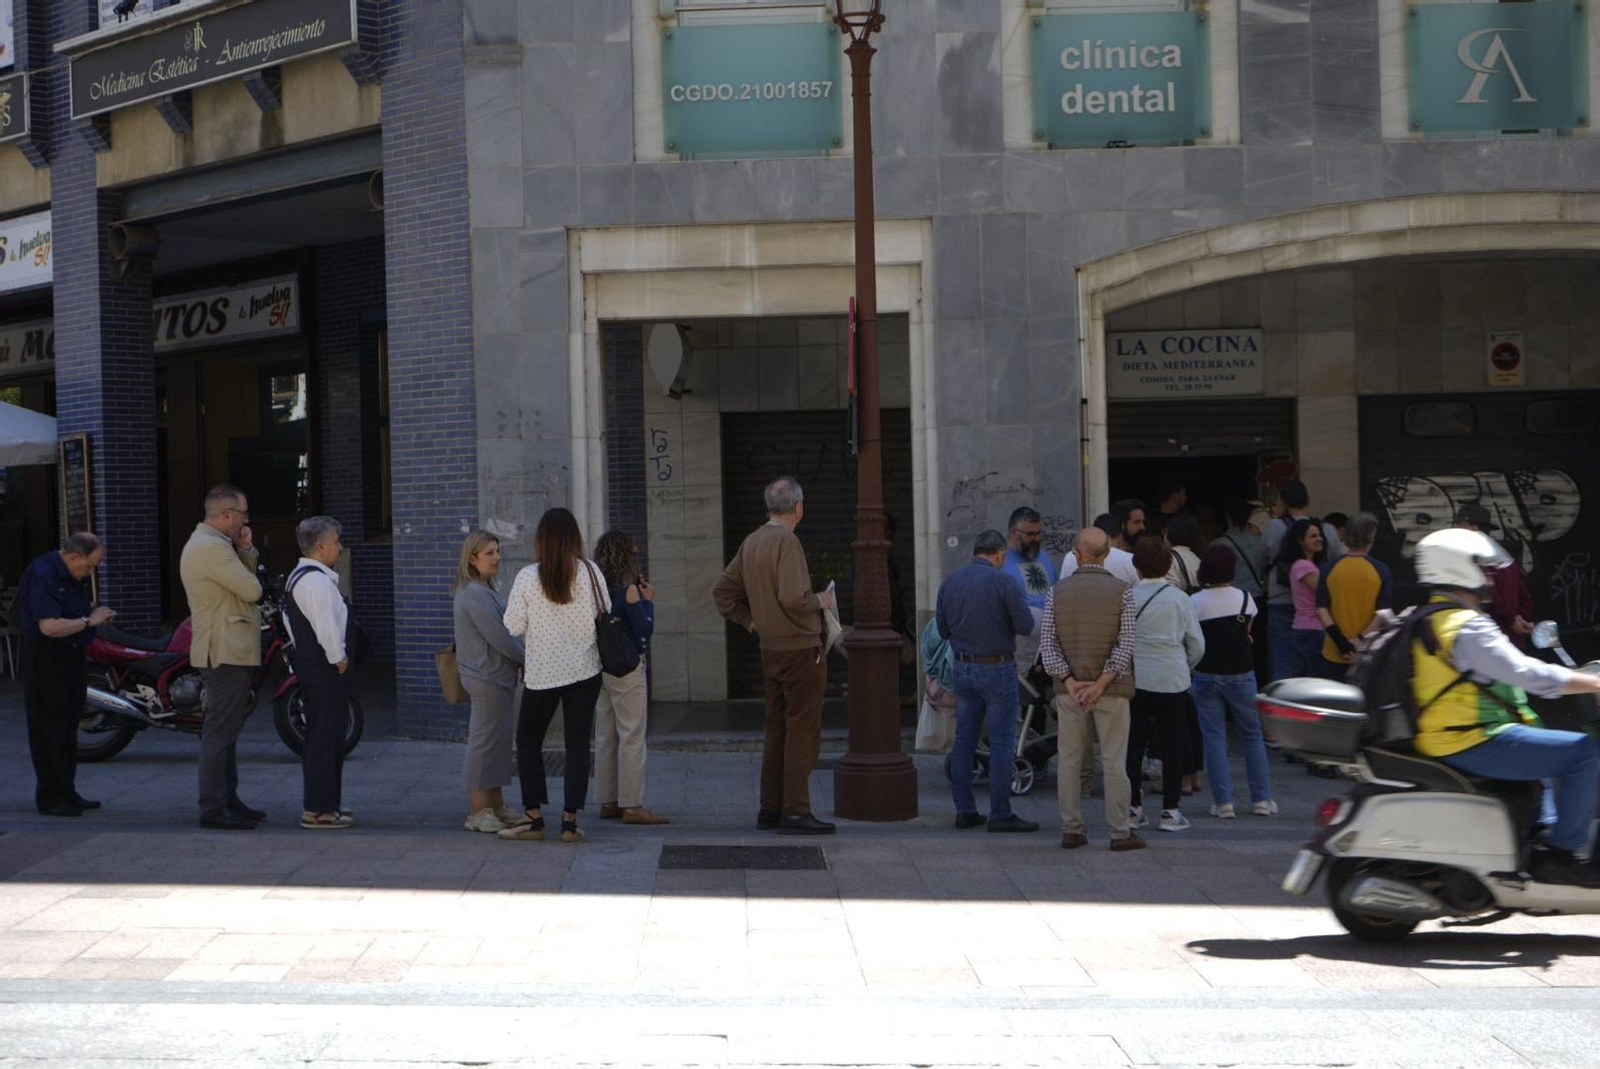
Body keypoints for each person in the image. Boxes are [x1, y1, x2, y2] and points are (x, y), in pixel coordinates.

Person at [1409, 528, 1600, 887]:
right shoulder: (1466, 625)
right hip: (1472, 737)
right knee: (1583, 754)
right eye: (1482, 567)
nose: (1489, 576)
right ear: (1457, 568)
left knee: (1547, 744)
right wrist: (1591, 682)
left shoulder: (1433, 615)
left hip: (1453, 733)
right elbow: (1524, 673)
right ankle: (1562, 855)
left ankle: (1537, 836)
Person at [713, 476, 838, 836]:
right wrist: (822, 600)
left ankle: (770, 807)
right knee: (803, 730)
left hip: (770, 648)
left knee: (777, 728)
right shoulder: (788, 542)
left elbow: (722, 591)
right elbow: (794, 598)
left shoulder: (752, 541)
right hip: (801, 648)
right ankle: (796, 810)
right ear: (798, 507)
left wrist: (751, 621)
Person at [499, 507, 609, 844]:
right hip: (585, 670)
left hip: (542, 674)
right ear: (575, 537)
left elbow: (512, 625)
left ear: (541, 540)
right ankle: (570, 822)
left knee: (528, 742)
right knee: (578, 745)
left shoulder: (528, 577)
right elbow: (606, 612)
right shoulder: (591, 571)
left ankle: (534, 818)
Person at [1040, 527, 1142, 851]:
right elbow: (1125, 645)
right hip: (1110, 690)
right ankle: (1119, 832)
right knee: (1114, 760)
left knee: (1069, 760)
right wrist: (1100, 684)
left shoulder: (1057, 592)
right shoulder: (1123, 591)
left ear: (1076, 553)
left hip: (1069, 691)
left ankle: (1072, 829)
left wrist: (1069, 681)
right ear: (1107, 553)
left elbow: (1048, 644)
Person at [935, 529, 1039, 833]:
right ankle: (1000, 813)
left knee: (965, 740)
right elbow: (1025, 624)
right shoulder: (1003, 581)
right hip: (997, 667)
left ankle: (965, 811)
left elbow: (942, 630)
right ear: (999, 554)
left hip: (963, 668)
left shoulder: (950, 582)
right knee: (1003, 740)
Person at [180, 485, 266, 831]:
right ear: (226, 515)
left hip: (226, 648)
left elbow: (242, 582)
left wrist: (244, 549)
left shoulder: (214, 545)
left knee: (226, 731)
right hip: (225, 650)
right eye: (244, 514)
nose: (247, 520)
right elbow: (252, 589)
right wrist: (244, 554)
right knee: (219, 732)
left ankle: (228, 799)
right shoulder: (213, 548)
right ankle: (213, 807)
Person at [17, 533, 114, 817]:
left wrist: (91, 615)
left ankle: (67, 791)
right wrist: (88, 620)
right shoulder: (44, 574)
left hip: (71, 658)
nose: (90, 572)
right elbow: (49, 626)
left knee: (69, 729)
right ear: (75, 557)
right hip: (47, 662)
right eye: (89, 566)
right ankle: (50, 797)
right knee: (49, 731)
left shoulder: (71, 575)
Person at [1190, 545, 1276, 819]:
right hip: (1241, 672)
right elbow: (1247, 634)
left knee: (1214, 738)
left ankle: (1224, 802)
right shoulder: (1245, 599)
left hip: (1206, 672)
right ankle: (1262, 799)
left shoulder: (1194, 601)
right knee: (1252, 736)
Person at [1126, 537, 1205, 833]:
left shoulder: (1128, 597)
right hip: (1172, 678)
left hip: (1136, 678)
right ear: (1169, 564)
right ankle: (1170, 811)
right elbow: (1196, 644)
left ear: (1137, 565)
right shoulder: (1179, 599)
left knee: (1134, 744)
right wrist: (1185, 665)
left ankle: (1133, 807)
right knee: (1173, 745)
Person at [284, 517, 357, 830]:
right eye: (337, 541)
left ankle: (323, 803)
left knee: (321, 736)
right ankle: (322, 810)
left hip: (313, 666)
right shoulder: (316, 581)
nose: (340, 547)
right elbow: (326, 625)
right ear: (321, 546)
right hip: (325, 669)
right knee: (327, 737)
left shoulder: (300, 576)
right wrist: (338, 657)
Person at [452, 530, 526, 834]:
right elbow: (501, 637)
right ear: (472, 559)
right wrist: (528, 660)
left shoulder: (483, 589)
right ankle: (477, 811)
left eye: (497, 551)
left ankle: (495, 806)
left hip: (496, 677)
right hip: (486, 677)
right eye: (489, 553)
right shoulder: (473, 594)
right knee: (484, 743)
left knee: (497, 744)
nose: (497, 557)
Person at [593, 530, 668, 826]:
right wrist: (648, 601)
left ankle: (608, 800)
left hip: (602, 668)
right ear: (626, 557)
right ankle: (633, 805)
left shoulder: (597, 591)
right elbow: (644, 628)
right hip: (627, 668)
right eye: (634, 552)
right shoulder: (630, 591)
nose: (638, 554)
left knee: (605, 736)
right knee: (632, 735)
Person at [1262, 480, 1344, 682]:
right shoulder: (1326, 529)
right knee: (1316, 664)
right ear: (1308, 499)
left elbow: (1261, 558)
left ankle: (1282, 705)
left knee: (1283, 661)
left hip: (1281, 599)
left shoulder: (1274, 526)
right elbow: (1337, 561)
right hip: (1317, 607)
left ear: (1282, 501)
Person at [1316, 512, 1391, 680]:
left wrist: (1340, 640)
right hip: (1367, 651)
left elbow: (1321, 608)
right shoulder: (1380, 570)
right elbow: (1383, 612)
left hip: (1333, 651)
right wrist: (1360, 640)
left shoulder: (1330, 567)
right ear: (1370, 538)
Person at [1456, 503, 1535, 649]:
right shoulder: (1503, 555)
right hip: (1511, 637)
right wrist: (1522, 618)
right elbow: (1524, 594)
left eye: (1460, 526)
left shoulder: (1477, 558)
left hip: (1492, 639)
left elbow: (1491, 596)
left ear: (1474, 528)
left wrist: (1511, 621)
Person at [1217, 498, 1271, 685]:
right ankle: (1261, 686)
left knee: (1235, 650)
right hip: (1258, 600)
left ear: (1227, 517)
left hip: (1232, 605)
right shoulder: (1259, 541)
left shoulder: (1219, 544)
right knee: (1260, 650)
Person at [1000, 506, 1058, 670]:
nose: (1037, 538)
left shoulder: (1044, 557)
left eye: (1039, 533)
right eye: (1030, 534)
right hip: (1020, 645)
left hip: (1048, 645)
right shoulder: (1000, 562)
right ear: (1014, 533)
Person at [1278, 518, 1330, 677]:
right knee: (1315, 678)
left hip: (1308, 629)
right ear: (1301, 541)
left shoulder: (1309, 565)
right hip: (1312, 629)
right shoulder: (1303, 566)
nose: (1319, 539)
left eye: (1319, 535)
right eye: (1313, 536)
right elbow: (1325, 591)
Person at [1061, 514, 1139, 587]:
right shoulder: (1129, 560)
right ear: (1119, 535)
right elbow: (1138, 591)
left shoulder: (1070, 556)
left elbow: (1062, 587)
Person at [1165, 515, 1204, 593]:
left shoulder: (1169, 558)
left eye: (1165, 531)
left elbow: (1168, 590)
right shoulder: (1197, 558)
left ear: (1171, 533)